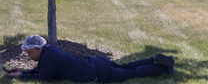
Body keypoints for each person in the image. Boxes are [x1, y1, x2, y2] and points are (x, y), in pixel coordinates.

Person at [6, 35, 175, 83]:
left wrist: (21, 76)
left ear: (37, 48)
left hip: (97, 72)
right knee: (127, 66)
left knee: (132, 73)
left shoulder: (48, 58)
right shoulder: (49, 51)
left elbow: (44, 77)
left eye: (29, 53)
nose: (28, 56)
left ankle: (164, 67)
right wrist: (23, 71)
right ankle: (155, 59)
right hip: (97, 62)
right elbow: (42, 70)